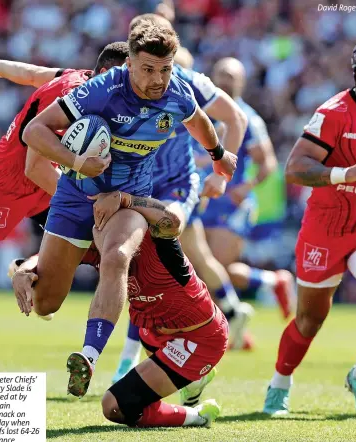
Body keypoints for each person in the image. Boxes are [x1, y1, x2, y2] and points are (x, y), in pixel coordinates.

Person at [21, 22, 237, 396]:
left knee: (118, 255)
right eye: (149, 70)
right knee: (45, 303)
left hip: (129, 198)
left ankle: (88, 356)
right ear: (131, 64)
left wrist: (218, 155)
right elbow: (35, 131)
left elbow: (199, 121)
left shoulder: (177, 92)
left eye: (165, 69)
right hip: (76, 196)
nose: (158, 79)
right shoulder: (102, 91)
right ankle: (22, 268)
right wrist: (76, 160)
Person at [263, 37, 356, 419]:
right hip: (325, 228)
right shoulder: (333, 113)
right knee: (310, 320)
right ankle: (279, 383)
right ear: (355, 72)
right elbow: (294, 168)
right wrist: (346, 173)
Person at [112, 13, 250, 383]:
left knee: (150, 263)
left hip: (174, 189)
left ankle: (134, 359)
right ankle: (226, 316)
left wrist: (220, 177)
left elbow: (236, 119)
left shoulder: (191, 84)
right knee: (192, 261)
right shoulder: (117, 84)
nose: (155, 76)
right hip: (136, 190)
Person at [14, 191, 228, 427]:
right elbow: (46, 257)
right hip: (152, 333)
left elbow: (173, 221)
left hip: (198, 338)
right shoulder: (96, 247)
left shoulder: (152, 234)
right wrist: (24, 269)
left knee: (114, 405)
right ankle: (197, 414)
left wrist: (125, 198)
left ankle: (193, 382)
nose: (98, 228)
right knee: (130, 404)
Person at [0, 43, 128, 274]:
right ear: (106, 74)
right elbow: (35, 169)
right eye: (127, 79)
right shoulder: (73, 98)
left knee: (88, 239)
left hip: (43, 185)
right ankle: (26, 270)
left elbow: (33, 75)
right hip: (4, 183)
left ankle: (26, 269)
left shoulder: (81, 78)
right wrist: (84, 198)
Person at [198, 57, 295, 320]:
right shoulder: (202, 112)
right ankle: (272, 282)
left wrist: (244, 187)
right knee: (207, 270)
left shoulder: (247, 118)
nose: (226, 81)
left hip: (231, 203)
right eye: (221, 75)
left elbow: (268, 163)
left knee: (214, 270)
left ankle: (224, 329)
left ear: (241, 82)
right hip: (203, 199)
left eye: (232, 76)